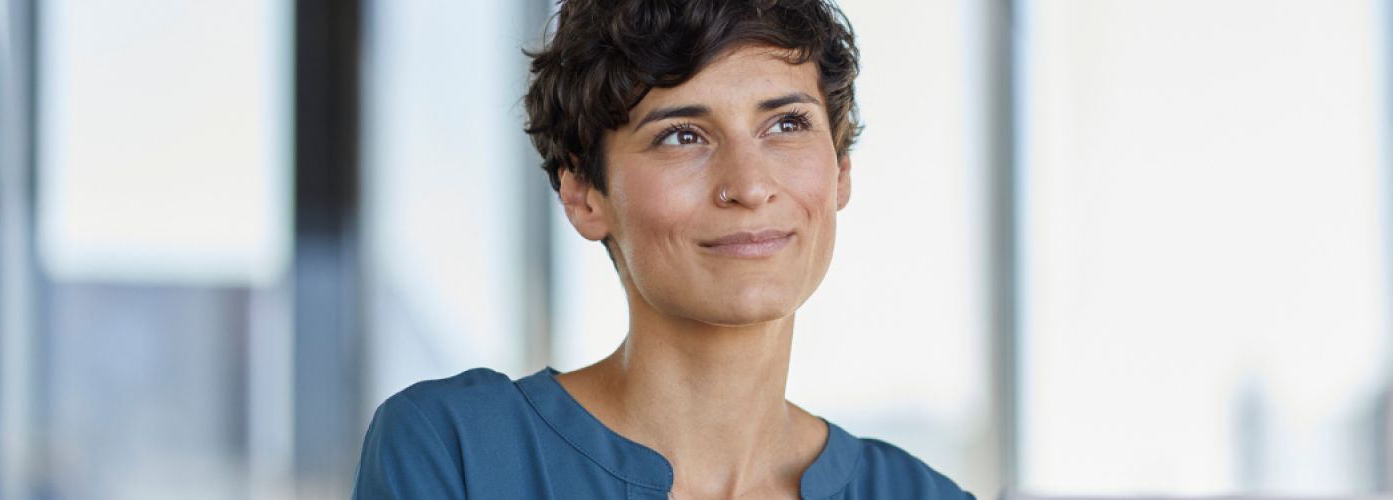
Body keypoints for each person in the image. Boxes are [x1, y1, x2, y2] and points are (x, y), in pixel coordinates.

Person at [351, 0, 973, 498]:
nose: (750, 186)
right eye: (683, 135)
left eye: (787, 124)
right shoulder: (458, 454)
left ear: (840, 170)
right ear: (583, 193)